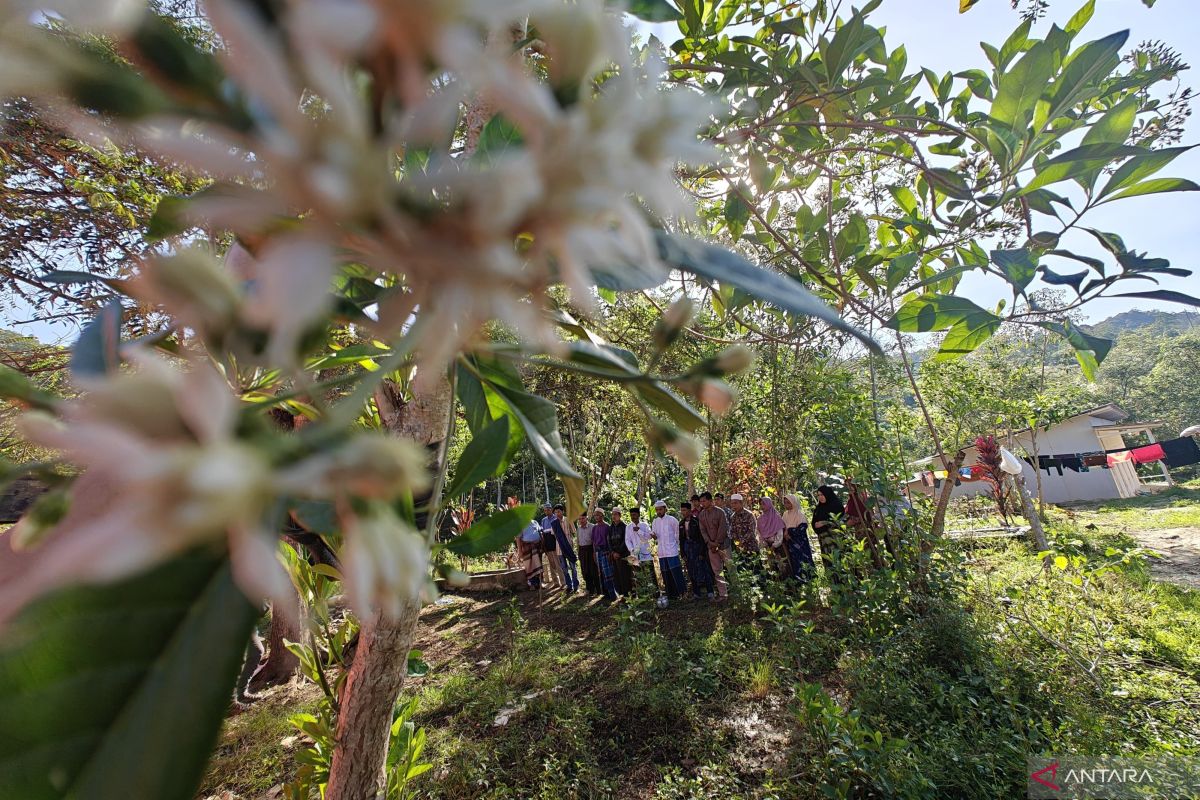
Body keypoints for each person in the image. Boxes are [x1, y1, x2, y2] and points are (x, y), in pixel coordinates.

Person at [697, 491, 730, 600]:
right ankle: (723, 595)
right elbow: (702, 531)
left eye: (704, 501)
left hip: (723, 545)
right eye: (700, 501)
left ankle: (736, 593)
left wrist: (717, 542)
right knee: (717, 571)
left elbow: (723, 528)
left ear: (710, 501)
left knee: (731, 568)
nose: (702, 503)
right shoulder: (701, 515)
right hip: (711, 547)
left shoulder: (720, 512)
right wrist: (710, 543)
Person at [651, 499, 685, 605]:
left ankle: (682, 593)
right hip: (661, 552)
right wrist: (654, 536)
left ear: (665, 509)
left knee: (676, 572)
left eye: (660, 509)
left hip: (672, 550)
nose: (658, 512)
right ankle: (671, 595)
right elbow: (655, 536)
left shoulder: (672, 520)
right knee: (665, 574)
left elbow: (678, 534)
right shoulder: (655, 521)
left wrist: (679, 547)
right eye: (657, 510)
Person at [680, 499, 715, 600]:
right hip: (688, 549)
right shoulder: (681, 523)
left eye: (685, 510)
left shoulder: (696, 521)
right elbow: (681, 539)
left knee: (704, 570)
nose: (683, 512)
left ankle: (710, 592)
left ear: (690, 511)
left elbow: (702, 538)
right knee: (691, 571)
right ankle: (696, 593)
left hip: (697, 547)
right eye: (682, 510)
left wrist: (702, 552)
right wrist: (683, 553)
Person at [811, 485, 846, 583]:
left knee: (839, 560)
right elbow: (814, 523)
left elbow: (839, 520)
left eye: (822, 494)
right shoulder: (819, 508)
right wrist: (818, 525)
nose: (820, 497)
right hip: (824, 540)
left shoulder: (836, 505)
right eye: (818, 495)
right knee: (829, 562)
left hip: (836, 539)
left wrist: (824, 523)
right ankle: (834, 584)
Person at [625, 507, 658, 597]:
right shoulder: (628, 527)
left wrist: (639, 531)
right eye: (631, 515)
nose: (633, 517)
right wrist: (632, 550)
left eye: (634, 515)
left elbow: (649, 537)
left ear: (638, 515)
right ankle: (643, 596)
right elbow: (627, 540)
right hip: (634, 555)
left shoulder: (644, 525)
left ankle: (656, 594)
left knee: (650, 574)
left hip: (645, 554)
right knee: (638, 576)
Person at [781, 493, 815, 582]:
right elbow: (783, 526)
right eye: (785, 503)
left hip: (800, 543)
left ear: (794, 502)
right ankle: (799, 580)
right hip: (790, 542)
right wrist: (785, 533)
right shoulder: (785, 514)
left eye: (788, 502)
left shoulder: (799, 514)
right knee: (794, 561)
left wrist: (790, 532)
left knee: (804, 560)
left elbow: (802, 529)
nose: (786, 505)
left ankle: (810, 579)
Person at [728, 494, 760, 580]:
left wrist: (742, 542)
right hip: (740, 549)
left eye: (735, 503)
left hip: (751, 548)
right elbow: (732, 532)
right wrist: (737, 543)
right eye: (732, 503)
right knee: (743, 572)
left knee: (755, 572)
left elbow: (752, 532)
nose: (733, 505)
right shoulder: (733, 517)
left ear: (741, 503)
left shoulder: (749, 515)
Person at [756, 496, 789, 577]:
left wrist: (774, 545)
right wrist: (765, 545)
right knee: (771, 569)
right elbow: (759, 535)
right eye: (760, 504)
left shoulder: (776, 517)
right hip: (767, 547)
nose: (762, 506)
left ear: (769, 504)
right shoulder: (760, 519)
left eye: (764, 504)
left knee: (782, 567)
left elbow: (780, 534)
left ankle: (787, 587)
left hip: (778, 547)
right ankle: (774, 587)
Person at [590, 509, 617, 601]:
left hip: (606, 552)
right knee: (600, 573)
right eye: (595, 516)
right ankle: (605, 594)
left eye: (598, 515)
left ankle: (613, 595)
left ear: (602, 516)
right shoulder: (594, 528)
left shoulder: (607, 527)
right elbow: (593, 542)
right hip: (598, 553)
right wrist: (594, 553)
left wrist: (610, 553)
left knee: (608, 573)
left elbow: (610, 541)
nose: (596, 517)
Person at [552, 504, 580, 594]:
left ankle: (576, 585)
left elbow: (574, 532)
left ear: (562, 511)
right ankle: (569, 586)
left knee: (573, 567)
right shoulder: (554, 523)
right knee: (564, 569)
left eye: (559, 511)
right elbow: (554, 535)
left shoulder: (568, 520)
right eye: (555, 512)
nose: (557, 513)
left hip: (569, 547)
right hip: (559, 549)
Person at [608, 507, 633, 596]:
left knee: (625, 576)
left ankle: (629, 595)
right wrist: (613, 553)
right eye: (612, 514)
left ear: (620, 515)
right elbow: (609, 542)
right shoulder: (610, 528)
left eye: (615, 514)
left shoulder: (625, 527)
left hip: (624, 556)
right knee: (617, 576)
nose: (613, 516)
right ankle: (622, 595)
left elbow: (625, 541)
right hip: (614, 556)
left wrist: (618, 552)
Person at [540, 503, 564, 590]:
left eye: (548, 509)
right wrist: (544, 546)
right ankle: (555, 582)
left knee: (558, 564)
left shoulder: (556, 518)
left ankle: (563, 582)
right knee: (551, 565)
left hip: (555, 544)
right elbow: (542, 533)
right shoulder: (543, 520)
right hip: (547, 544)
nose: (547, 511)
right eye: (545, 510)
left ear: (551, 510)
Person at [576, 512, 600, 595]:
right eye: (579, 519)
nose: (581, 520)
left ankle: (598, 589)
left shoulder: (592, 527)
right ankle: (590, 589)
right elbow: (578, 542)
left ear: (586, 518)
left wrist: (594, 552)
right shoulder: (578, 528)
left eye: (582, 518)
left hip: (591, 550)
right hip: (582, 551)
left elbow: (595, 541)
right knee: (585, 571)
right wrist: (579, 553)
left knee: (594, 570)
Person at [518, 517, 544, 590]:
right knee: (529, 566)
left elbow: (540, 532)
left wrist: (542, 544)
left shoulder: (535, 522)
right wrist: (519, 551)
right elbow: (518, 538)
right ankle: (532, 584)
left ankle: (540, 583)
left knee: (539, 564)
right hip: (527, 547)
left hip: (537, 546)